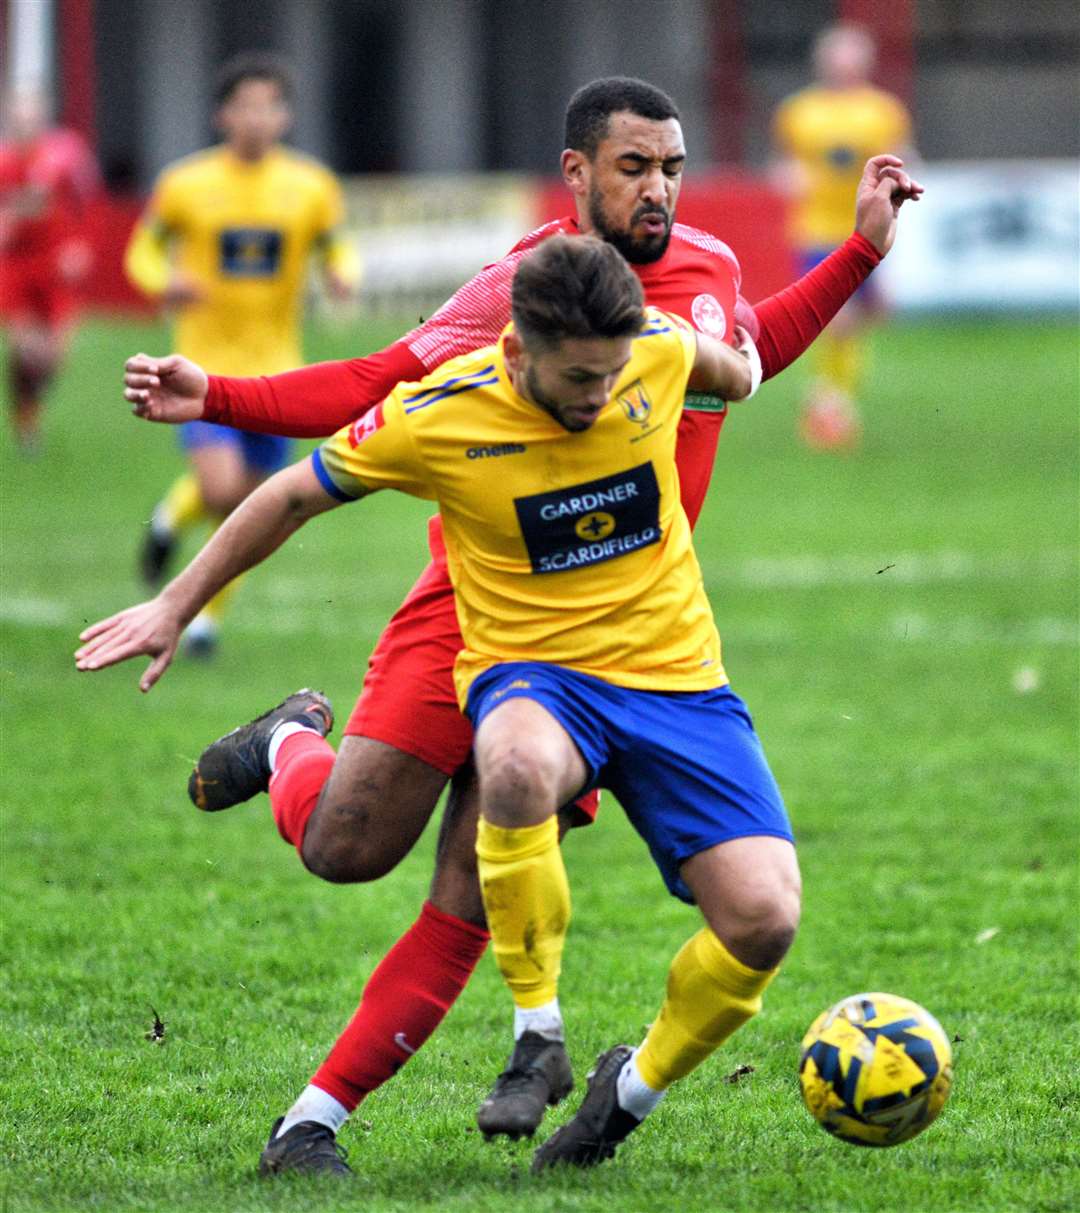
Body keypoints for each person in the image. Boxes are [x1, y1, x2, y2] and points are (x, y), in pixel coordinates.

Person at [104, 79, 920, 1174]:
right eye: (634, 167)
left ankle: (332, 1118)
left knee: (475, 881)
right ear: (578, 173)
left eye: (673, 167)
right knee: (346, 849)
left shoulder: (700, 287)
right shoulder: (512, 295)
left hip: (621, 635)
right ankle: (290, 742)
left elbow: (751, 357)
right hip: (475, 609)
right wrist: (225, 398)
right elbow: (380, 385)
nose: (658, 189)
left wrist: (857, 258)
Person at [78, 233, 787, 1175]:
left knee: (756, 917)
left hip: (675, 682)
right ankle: (532, 1025)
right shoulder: (442, 410)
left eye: (613, 375)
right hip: (524, 670)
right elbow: (291, 493)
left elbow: (736, 369)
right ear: (516, 351)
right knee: (363, 843)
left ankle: (357, 1120)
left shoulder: (651, 342)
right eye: (580, 378)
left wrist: (790, 312)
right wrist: (176, 602)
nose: (602, 397)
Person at [123, 52, 358, 653]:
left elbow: (338, 249)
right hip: (200, 367)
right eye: (245, 105)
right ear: (222, 114)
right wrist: (162, 282)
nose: (258, 117)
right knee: (225, 489)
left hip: (280, 370)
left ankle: (202, 616)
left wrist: (341, 275)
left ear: (285, 116)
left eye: (270, 105)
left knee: (252, 508)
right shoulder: (185, 184)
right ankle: (175, 520)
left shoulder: (312, 187)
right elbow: (141, 253)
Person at [773, 23, 914, 450]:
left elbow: (904, 153)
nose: (843, 64)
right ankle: (829, 403)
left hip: (866, 226)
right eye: (837, 56)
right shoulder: (798, 111)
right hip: (815, 229)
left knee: (861, 322)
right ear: (823, 60)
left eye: (851, 56)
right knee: (838, 318)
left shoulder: (884, 111)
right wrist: (786, 176)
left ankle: (833, 396)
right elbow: (782, 163)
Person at [0, 85, 99, 453]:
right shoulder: (4, 164)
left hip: (54, 265)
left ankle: (29, 398)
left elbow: (85, 203)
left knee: (53, 357)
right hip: (16, 266)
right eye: (19, 119)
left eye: (33, 119)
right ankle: (26, 421)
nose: (26, 126)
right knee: (26, 348)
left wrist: (80, 245)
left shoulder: (64, 157)